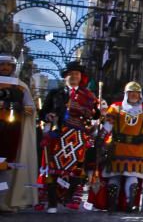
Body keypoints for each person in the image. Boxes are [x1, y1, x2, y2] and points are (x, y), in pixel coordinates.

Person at [41, 60, 99, 213]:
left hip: (78, 136)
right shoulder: (55, 94)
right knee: (53, 168)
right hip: (57, 134)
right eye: (71, 74)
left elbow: (96, 116)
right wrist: (48, 115)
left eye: (77, 74)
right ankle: (52, 202)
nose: (74, 76)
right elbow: (43, 113)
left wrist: (82, 110)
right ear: (65, 77)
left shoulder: (89, 96)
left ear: (81, 77)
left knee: (76, 168)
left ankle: (69, 197)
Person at [98, 82, 143, 213]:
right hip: (117, 147)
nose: (134, 95)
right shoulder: (116, 108)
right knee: (114, 176)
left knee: (132, 177)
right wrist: (100, 140)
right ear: (126, 94)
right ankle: (112, 204)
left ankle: (130, 203)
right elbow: (107, 126)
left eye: (136, 93)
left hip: (136, 149)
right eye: (131, 92)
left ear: (140, 95)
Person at [0, 53, 38, 212]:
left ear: (13, 68)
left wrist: (19, 107)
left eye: (8, 65)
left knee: (4, 167)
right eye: (2, 65)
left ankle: (2, 201)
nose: (5, 68)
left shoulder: (20, 86)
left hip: (10, 130)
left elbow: (30, 107)